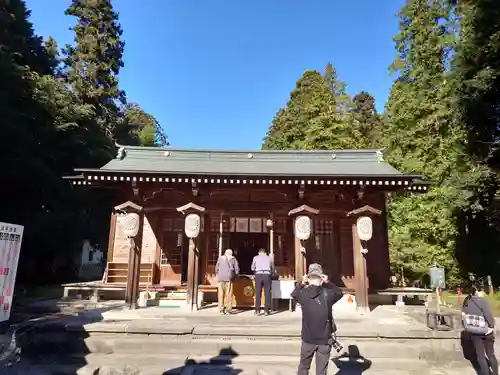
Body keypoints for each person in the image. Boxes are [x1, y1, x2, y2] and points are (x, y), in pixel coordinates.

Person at [291, 263, 343, 375]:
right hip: (325, 339)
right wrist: (328, 283)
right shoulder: (328, 294)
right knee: (321, 371)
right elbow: (339, 293)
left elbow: (294, 294)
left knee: (304, 367)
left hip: (308, 338)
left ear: (309, 279)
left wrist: (301, 283)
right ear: (321, 279)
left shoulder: (303, 294)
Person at [462, 288, 498, 375]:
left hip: (474, 332)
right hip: (486, 332)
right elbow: (488, 315)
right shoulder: (483, 302)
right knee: (491, 354)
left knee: (480, 356)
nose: (483, 293)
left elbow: (464, 317)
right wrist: (492, 327)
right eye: (481, 290)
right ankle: (495, 373)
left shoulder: (466, 302)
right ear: (477, 292)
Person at [215, 249, 239, 315]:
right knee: (229, 294)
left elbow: (216, 268)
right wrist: (235, 277)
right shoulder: (233, 259)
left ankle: (221, 310)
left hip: (221, 278)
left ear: (225, 253)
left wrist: (218, 274)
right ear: (231, 253)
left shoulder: (220, 258)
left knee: (220, 294)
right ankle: (228, 310)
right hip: (229, 279)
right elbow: (237, 270)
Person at [251, 248, 273, 316]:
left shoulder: (255, 258)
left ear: (259, 252)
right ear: (265, 252)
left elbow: (252, 268)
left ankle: (257, 310)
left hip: (258, 275)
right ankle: (266, 310)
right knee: (267, 293)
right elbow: (272, 267)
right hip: (267, 274)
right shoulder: (269, 258)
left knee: (258, 292)